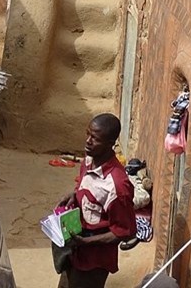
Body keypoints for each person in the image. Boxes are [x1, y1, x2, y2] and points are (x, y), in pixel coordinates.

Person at [56, 113, 135, 288]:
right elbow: (86, 186)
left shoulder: (117, 185)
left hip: (94, 261)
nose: (88, 141)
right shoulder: (89, 161)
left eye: (95, 138)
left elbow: (125, 231)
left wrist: (87, 242)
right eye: (88, 134)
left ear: (110, 144)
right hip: (75, 250)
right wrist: (74, 194)